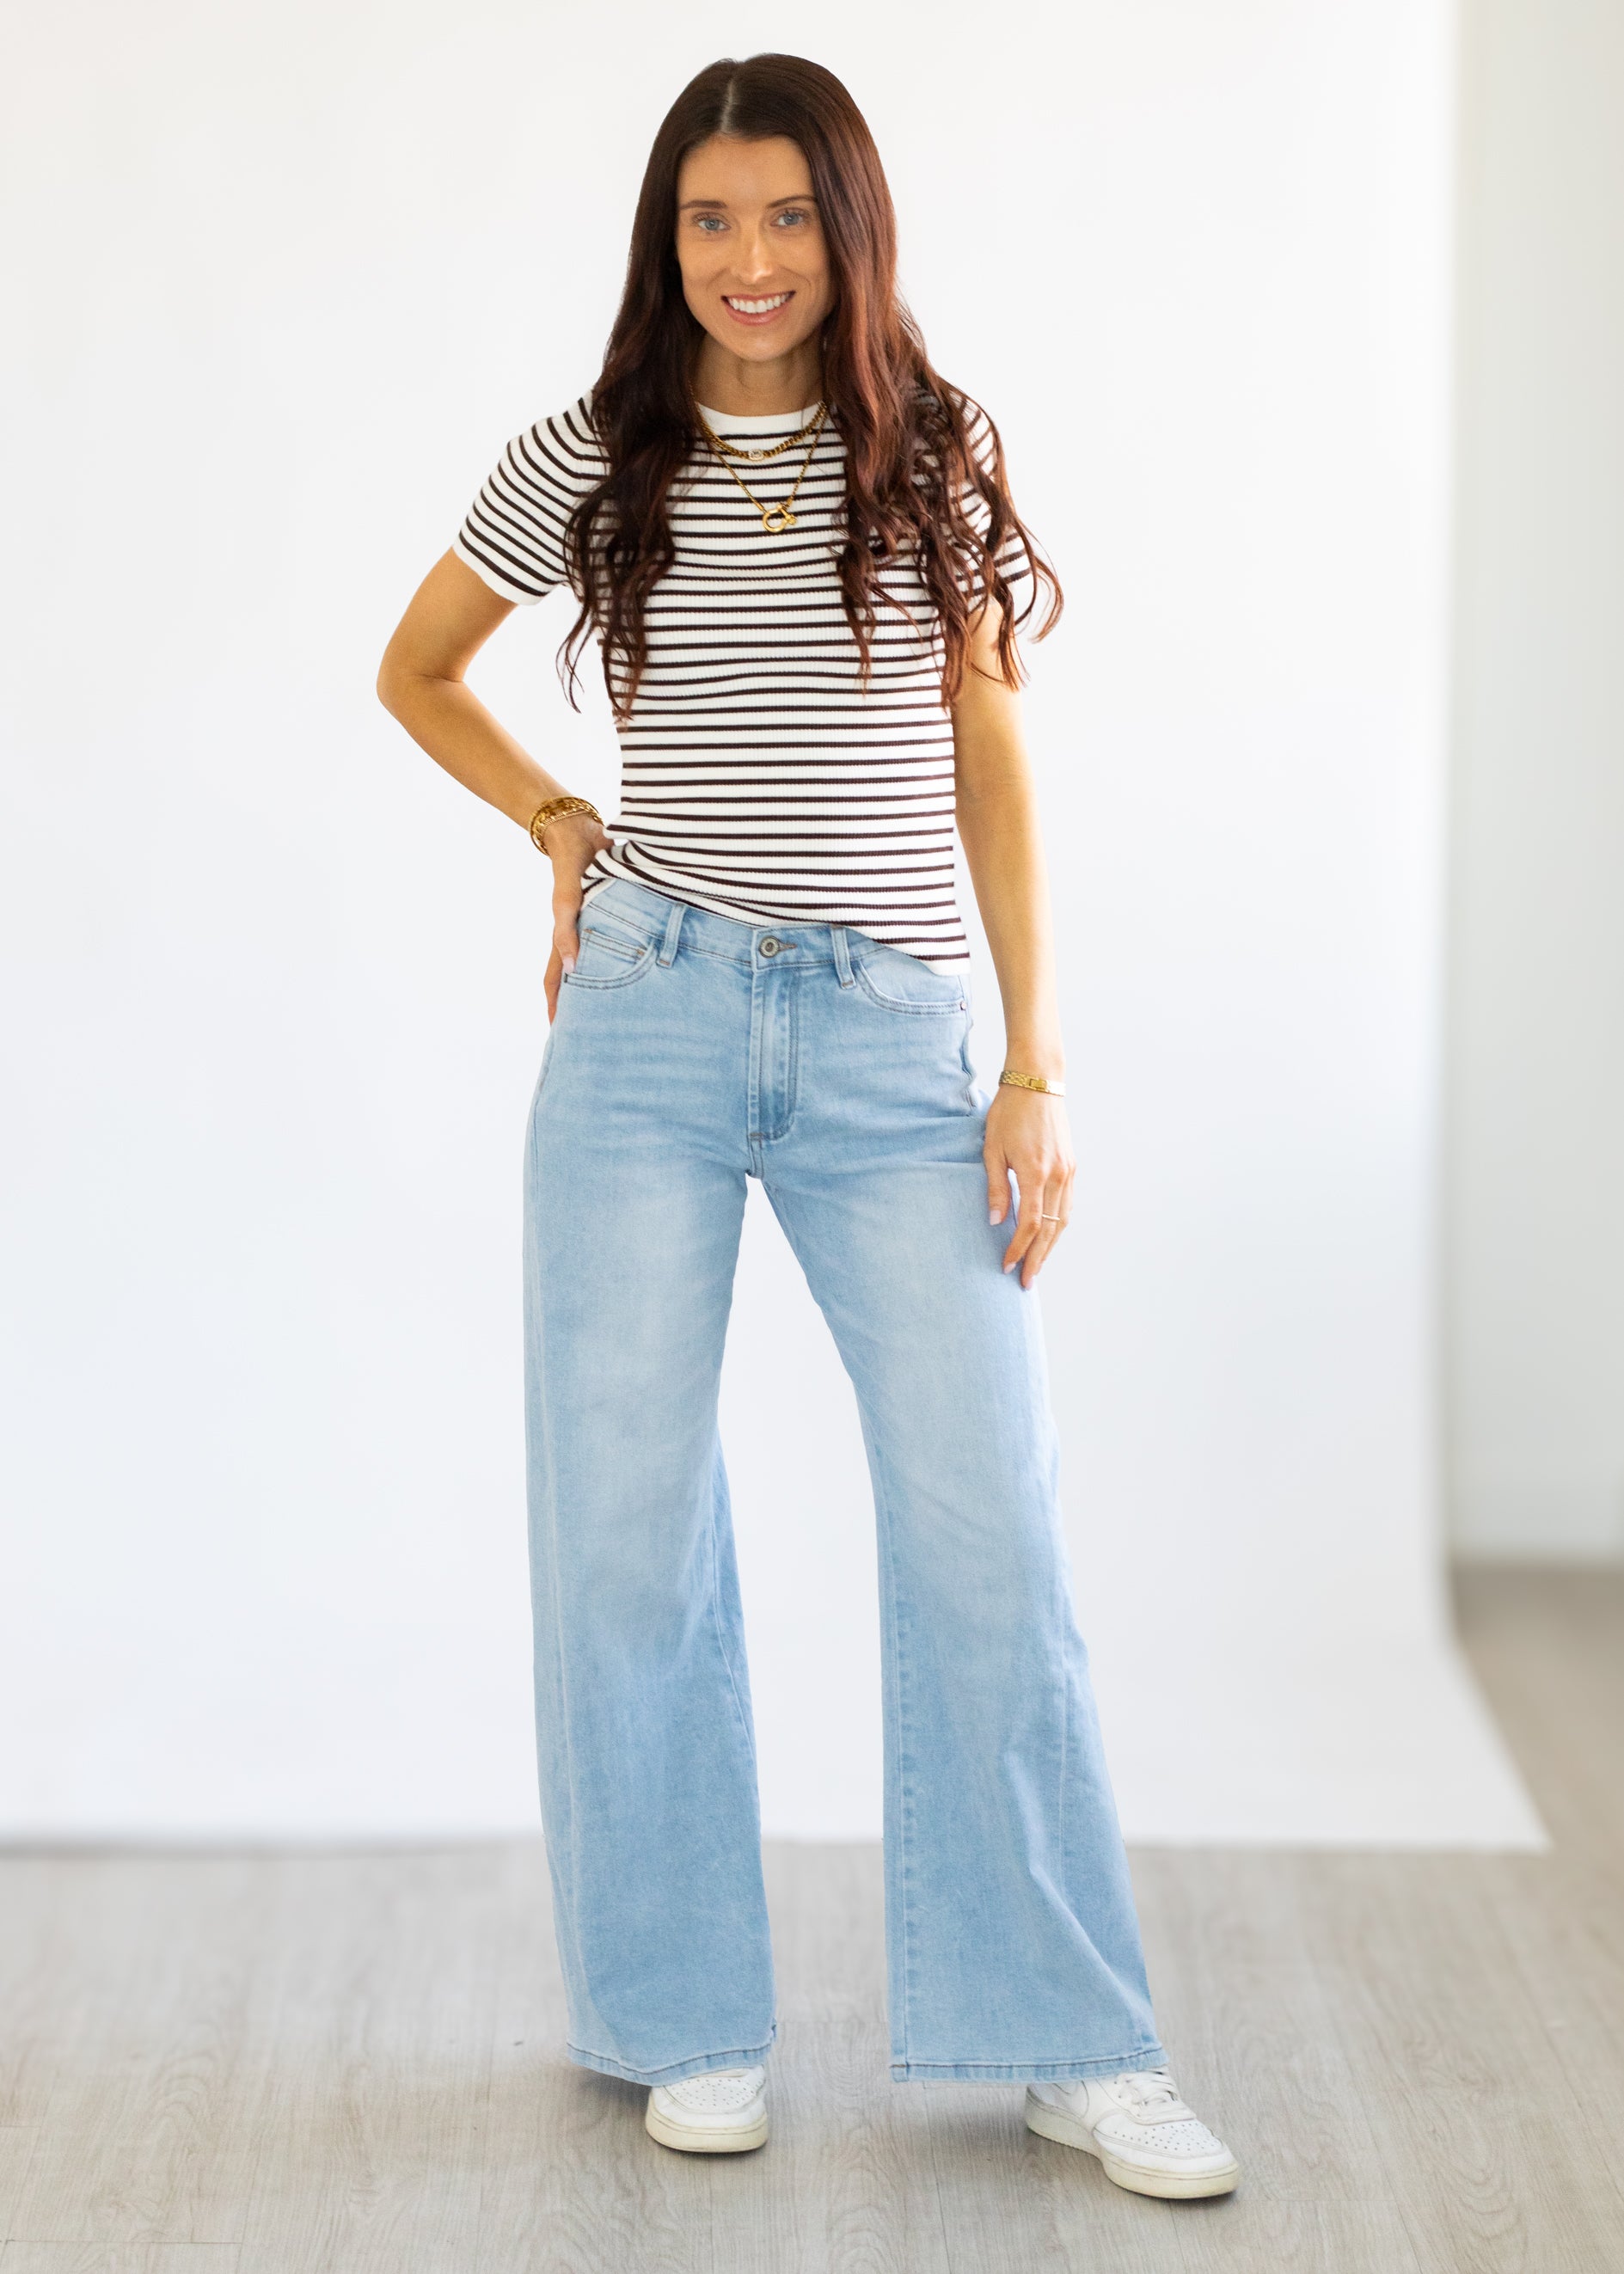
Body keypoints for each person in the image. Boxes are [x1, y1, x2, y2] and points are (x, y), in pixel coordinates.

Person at [377, 52, 1237, 2201]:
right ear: (664, 238)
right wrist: (561, 815)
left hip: (892, 1052)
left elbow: (990, 759)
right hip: (647, 1029)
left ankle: (1068, 2033)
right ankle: (678, 2014)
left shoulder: (927, 447)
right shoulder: (587, 457)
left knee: (991, 1536)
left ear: (852, 233)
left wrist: (1035, 1062)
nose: (748, 261)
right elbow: (418, 668)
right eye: (707, 218)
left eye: (788, 218)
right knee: (626, 1534)